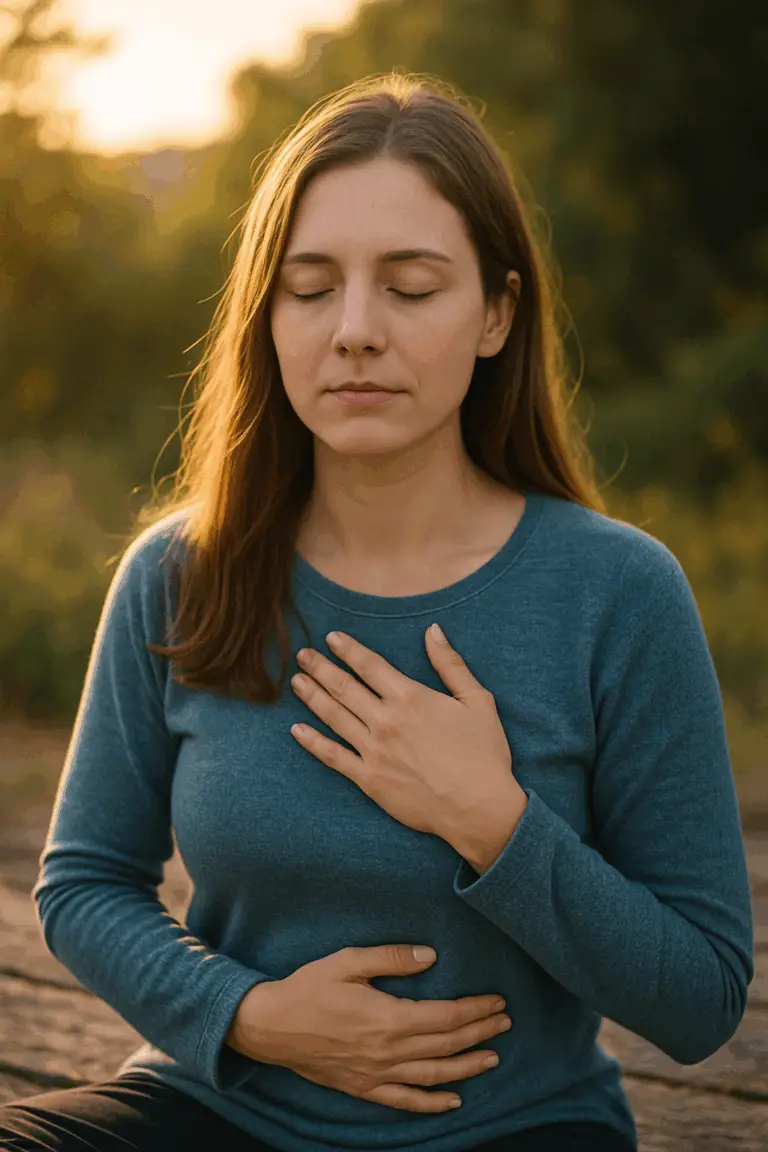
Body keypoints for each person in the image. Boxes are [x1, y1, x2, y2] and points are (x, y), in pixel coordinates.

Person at [0, 71, 752, 1152]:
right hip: (215, 1110)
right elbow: (82, 886)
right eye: (310, 288)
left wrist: (491, 822)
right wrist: (253, 1017)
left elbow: (702, 998)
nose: (354, 330)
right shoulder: (178, 572)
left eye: (410, 287)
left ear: (496, 312)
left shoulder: (618, 592)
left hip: (513, 1128)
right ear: (266, 315)